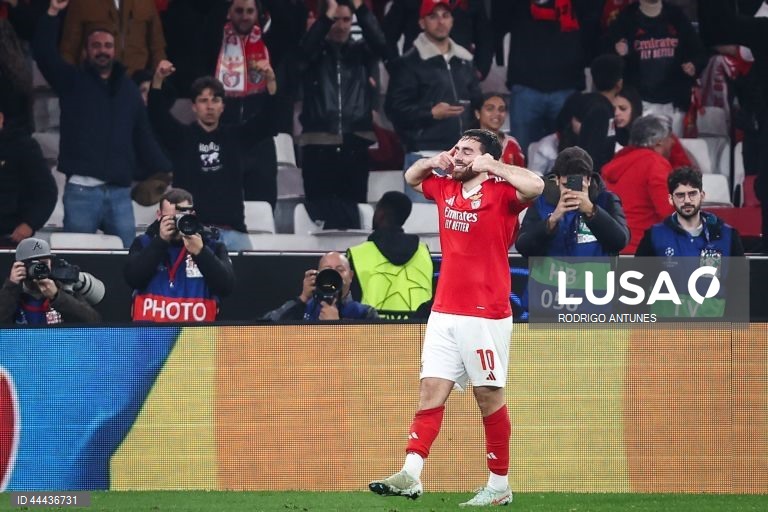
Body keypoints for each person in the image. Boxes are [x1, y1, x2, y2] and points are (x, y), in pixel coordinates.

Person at [369, 129, 544, 506]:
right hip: (443, 311)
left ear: (485, 158)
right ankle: (411, 473)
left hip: (485, 312)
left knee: (488, 396)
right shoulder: (445, 186)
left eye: (467, 151)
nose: (457, 155)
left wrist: (494, 166)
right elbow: (411, 177)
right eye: (456, 149)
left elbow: (537, 185)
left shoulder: (502, 192)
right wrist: (434, 160)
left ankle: (499, 485)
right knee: (430, 391)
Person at [32, 0, 172, 248]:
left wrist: (163, 167)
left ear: (115, 50)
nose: (102, 50)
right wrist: (52, 13)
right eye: (96, 45)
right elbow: (44, 54)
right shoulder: (72, 81)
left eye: (108, 45)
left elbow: (142, 134)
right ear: (86, 50)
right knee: (76, 259)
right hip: (81, 191)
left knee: (130, 259)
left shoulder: (128, 90)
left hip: (119, 192)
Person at [148, 62, 278, 251]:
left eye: (215, 100)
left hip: (234, 233)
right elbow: (156, 115)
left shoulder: (235, 137)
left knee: (251, 271)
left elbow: (269, 120)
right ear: (194, 106)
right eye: (203, 100)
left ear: (223, 106)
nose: (210, 106)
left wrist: (271, 82)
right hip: (192, 233)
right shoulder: (181, 138)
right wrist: (158, 79)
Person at [298, 0, 387, 227]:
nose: (340, 26)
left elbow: (381, 45)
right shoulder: (313, 53)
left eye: (346, 19)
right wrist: (324, 18)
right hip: (317, 145)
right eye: (334, 19)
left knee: (354, 216)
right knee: (317, 217)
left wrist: (362, 9)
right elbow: (303, 53)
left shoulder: (362, 52)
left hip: (355, 144)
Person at [385, 0, 481, 203]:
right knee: (424, 219)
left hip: (463, 160)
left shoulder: (464, 61)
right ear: (422, 22)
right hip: (425, 157)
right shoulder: (408, 64)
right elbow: (394, 110)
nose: (440, 21)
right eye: (433, 16)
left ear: (452, 20)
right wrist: (430, 113)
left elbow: (476, 102)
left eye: (445, 16)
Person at [124, 188, 235, 323]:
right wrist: (160, 242)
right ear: (159, 215)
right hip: (150, 332)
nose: (177, 224)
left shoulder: (212, 246)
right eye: (172, 218)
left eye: (181, 218)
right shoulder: (144, 243)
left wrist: (201, 252)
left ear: (192, 215)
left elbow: (226, 287)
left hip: (198, 333)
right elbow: (133, 279)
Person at [214, 0, 280, 209]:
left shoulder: (270, 39)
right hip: (224, 135)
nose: (244, 16)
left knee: (263, 208)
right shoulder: (215, 39)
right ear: (228, 12)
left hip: (259, 138)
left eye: (250, 11)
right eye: (239, 10)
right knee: (220, 207)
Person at [517, 146, 629, 257]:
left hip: (594, 269)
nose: (571, 191)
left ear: (589, 180)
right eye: (565, 185)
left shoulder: (606, 200)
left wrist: (592, 211)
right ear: (557, 180)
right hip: (551, 269)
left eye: (580, 185)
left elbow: (620, 242)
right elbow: (523, 247)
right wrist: (551, 222)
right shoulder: (542, 202)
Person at [606, 0, 707, 122]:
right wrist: (618, 51)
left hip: (675, 102)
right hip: (640, 101)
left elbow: (699, 52)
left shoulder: (676, 15)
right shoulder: (626, 17)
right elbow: (607, 57)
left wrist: (694, 65)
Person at [347, 191, 433, 318]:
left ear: (381, 214)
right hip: (418, 327)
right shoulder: (424, 252)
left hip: (373, 328)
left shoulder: (357, 254)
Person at [602, 114, 675, 254]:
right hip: (642, 250)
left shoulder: (617, 162)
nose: (672, 142)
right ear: (659, 142)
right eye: (670, 138)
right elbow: (669, 213)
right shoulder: (655, 164)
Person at [636, 166, 745, 257]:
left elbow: (740, 276)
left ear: (702, 196)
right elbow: (639, 275)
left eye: (692, 194)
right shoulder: (654, 235)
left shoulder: (728, 234)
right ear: (670, 199)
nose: (687, 200)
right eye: (680, 195)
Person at [0, 237, 101, 324]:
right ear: (20, 265)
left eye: (44, 263)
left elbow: (93, 321)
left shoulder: (62, 286)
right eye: (34, 263)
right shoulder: (10, 290)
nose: (40, 267)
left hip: (58, 340)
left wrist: (57, 296)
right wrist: (11, 286)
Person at [383, 0, 493, 79]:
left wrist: (480, 70)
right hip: (417, 76)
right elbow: (387, 35)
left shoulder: (472, 2)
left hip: (460, 75)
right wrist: (396, 69)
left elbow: (484, 37)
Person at [0, 98, 58, 248]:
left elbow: (47, 192)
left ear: (1, 119)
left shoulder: (23, 147)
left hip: (11, 239)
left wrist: (30, 223)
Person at [262, 251, 380, 321]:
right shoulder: (304, 308)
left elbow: (373, 350)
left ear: (350, 276)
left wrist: (338, 327)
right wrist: (302, 299)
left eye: (340, 270)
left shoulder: (365, 313)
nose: (334, 274)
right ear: (318, 275)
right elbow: (264, 328)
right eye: (327, 270)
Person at [58, 0, 166, 76]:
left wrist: (157, 88)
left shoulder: (146, 2)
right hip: (95, 86)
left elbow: (158, 49)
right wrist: (72, 87)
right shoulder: (82, 3)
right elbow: (68, 51)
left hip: (137, 87)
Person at [613, 85, 694, 169]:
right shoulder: (611, 133)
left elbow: (683, 166)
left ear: (635, 108)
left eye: (623, 108)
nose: (616, 113)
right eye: (613, 109)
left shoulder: (660, 131)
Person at [572, 53, 624, 174]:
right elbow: (589, 156)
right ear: (619, 83)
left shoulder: (580, 101)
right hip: (590, 179)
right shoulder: (600, 111)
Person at [473, 92, 525, 167]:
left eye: (501, 109)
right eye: (490, 109)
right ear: (477, 113)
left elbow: (522, 172)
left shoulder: (512, 144)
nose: (497, 113)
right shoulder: (466, 144)